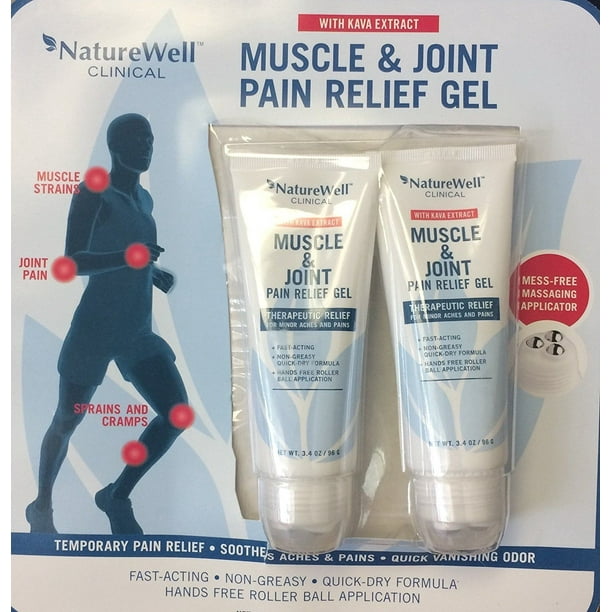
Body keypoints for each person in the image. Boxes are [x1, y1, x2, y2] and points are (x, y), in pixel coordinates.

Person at [26, 113, 188, 535]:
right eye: (137, 139)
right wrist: (132, 258)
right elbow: (73, 262)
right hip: (95, 328)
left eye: (150, 139)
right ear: (115, 146)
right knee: (67, 419)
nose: (147, 146)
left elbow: (130, 253)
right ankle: (41, 506)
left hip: (136, 329)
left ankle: (116, 495)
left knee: (176, 413)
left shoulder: (145, 200)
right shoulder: (92, 192)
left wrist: (152, 272)